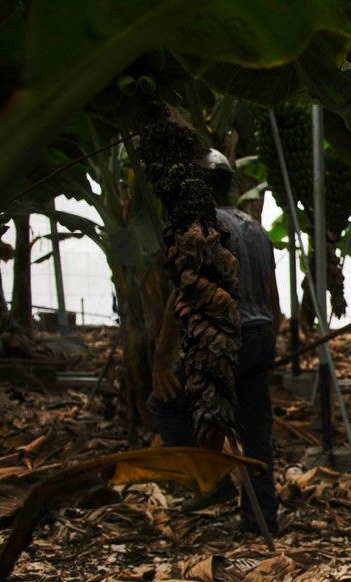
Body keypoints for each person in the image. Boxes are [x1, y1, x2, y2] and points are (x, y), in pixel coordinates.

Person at [149, 149, 281, 534]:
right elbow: (273, 299)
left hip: (225, 337)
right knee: (256, 434)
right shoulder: (256, 229)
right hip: (260, 335)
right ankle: (263, 519)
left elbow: (183, 293)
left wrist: (160, 360)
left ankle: (212, 480)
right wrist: (276, 341)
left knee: (165, 402)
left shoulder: (199, 227)